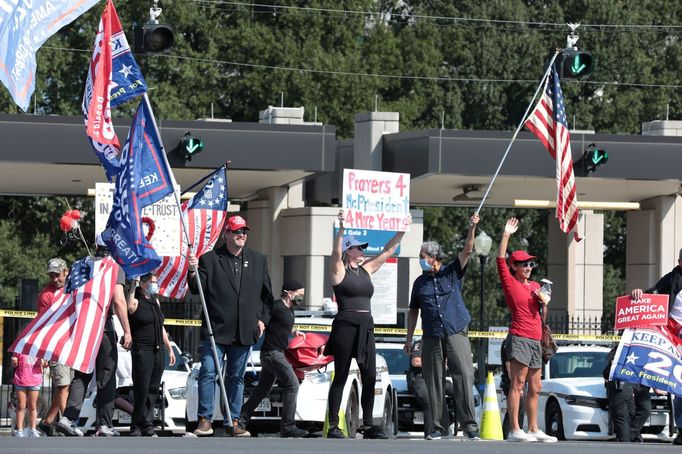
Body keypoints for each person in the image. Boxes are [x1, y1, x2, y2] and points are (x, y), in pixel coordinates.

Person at [325, 209, 410, 439]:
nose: (363, 251)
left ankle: (369, 424)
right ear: (349, 250)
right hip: (345, 326)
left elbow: (388, 250)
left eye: (363, 248)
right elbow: (334, 251)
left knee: (370, 375)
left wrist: (403, 229)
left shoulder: (367, 270)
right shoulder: (339, 270)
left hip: (366, 327)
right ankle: (334, 425)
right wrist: (341, 228)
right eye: (359, 247)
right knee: (341, 375)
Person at [188, 215, 274, 437]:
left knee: (236, 377)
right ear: (226, 234)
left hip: (244, 331)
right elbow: (197, 289)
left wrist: (262, 319)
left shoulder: (258, 259)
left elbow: (267, 297)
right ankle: (205, 420)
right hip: (215, 329)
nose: (241, 235)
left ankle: (234, 420)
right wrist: (192, 271)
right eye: (237, 231)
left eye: (244, 231)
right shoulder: (209, 259)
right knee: (208, 372)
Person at [404, 213, 480, 440]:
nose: (420, 259)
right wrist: (409, 338)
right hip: (431, 335)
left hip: (456, 329)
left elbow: (467, 250)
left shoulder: (452, 272)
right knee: (433, 380)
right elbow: (413, 311)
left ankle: (469, 426)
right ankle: (437, 427)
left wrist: (472, 228)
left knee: (464, 376)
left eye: (422, 256)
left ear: (434, 257)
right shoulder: (419, 282)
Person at [61, 234, 132, 437]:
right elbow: (118, 301)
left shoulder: (79, 266)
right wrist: (127, 330)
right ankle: (104, 424)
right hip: (103, 325)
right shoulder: (113, 267)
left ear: (95, 245)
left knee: (82, 373)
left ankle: (68, 418)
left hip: (83, 325)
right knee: (107, 376)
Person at [496, 217, 556, 443]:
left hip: (535, 339)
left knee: (536, 386)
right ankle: (514, 429)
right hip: (519, 336)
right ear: (515, 267)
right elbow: (500, 259)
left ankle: (533, 428)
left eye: (531, 264)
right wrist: (506, 235)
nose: (529, 268)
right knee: (518, 384)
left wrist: (545, 303)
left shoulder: (535, 287)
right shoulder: (510, 282)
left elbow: (542, 317)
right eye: (524, 264)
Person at [239, 279, 307, 438]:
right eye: (300, 294)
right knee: (292, 384)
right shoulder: (276, 306)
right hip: (272, 353)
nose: (302, 298)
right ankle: (288, 426)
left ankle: (240, 419)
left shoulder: (290, 309)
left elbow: (283, 326)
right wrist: (259, 326)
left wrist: (295, 332)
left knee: (262, 390)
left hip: (276, 353)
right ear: (289, 293)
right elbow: (263, 318)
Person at [630, 248, 682, 444]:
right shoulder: (671, 279)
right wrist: (638, 294)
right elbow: (651, 296)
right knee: (680, 388)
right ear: (679, 262)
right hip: (675, 339)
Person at [126, 272, 176, 437]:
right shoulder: (136, 302)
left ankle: (148, 424)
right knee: (142, 388)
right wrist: (134, 284)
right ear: (144, 284)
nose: (156, 284)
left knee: (153, 389)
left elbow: (160, 327)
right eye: (153, 282)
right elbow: (129, 305)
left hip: (157, 350)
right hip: (143, 350)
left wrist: (169, 348)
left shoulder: (155, 302)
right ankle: (136, 425)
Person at [36, 258, 75, 437]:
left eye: (58, 275)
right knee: (63, 385)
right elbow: (42, 325)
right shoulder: (46, 295)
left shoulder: (74, 288)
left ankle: (46, 422)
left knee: (66, 386)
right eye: (51, 275)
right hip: (56, 347)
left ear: (66, 272)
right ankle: (68, 424)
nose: (55, 279)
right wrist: (43, 352)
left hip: (74, 345)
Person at [603, 345, 651, 442]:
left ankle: (630, 436)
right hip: (623, 386)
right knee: (623, 418)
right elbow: (607, 373)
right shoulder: (622, 346)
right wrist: (613, 364)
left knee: (642, 411)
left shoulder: (647, 349)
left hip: (637, 386)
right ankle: (626, 439)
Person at [11, 353, 47, 437]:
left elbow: (45, 365)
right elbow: (13, 364)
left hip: (35, 380)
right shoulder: (19, 349)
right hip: (21, 380)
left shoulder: (39, 350)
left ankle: (33, 429)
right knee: (21, 406)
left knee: (33, 406)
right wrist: (14, 362)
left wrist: (44, 363)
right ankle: (19, 430)